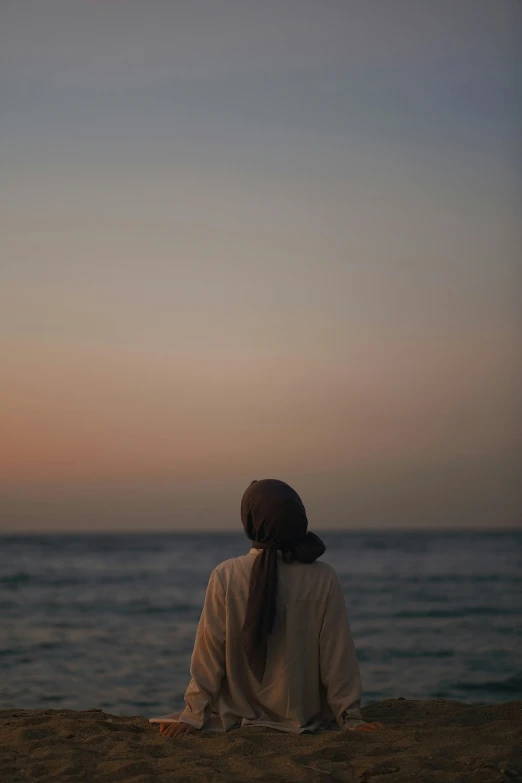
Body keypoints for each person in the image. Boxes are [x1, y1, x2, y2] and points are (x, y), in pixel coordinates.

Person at [151, 479, 383, 737]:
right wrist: (348, 716)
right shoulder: (323, 576)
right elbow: (337, 654)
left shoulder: (226, 574)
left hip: (236, 715)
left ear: (250, 520)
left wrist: (193, 714)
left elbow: (209, 652)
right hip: (304, 716)